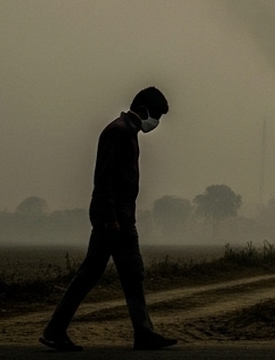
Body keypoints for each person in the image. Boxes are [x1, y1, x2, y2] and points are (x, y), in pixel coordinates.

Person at [41, 87, 178, 352]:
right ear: (142, 109)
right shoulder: (119, 132)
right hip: (114, 217)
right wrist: (111, 219)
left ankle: (57, 330)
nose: (156, 122)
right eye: (156, 115)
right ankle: (142, 333)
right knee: (126, 273)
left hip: (117, 215)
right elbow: (103, 179)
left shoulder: (128, 132)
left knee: (110, 274)